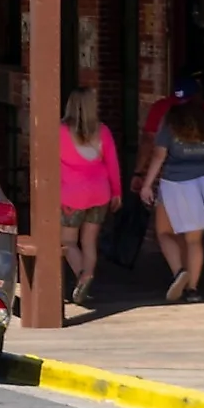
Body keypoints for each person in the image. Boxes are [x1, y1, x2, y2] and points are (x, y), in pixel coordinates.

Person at [137, 97, 204, 301]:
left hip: (175, 184)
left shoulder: (170, 123)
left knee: (163, 233)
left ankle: (179, 271)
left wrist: (146, 184)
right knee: (194, 240)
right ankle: (193, 290)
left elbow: (158, 156)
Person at [58, 87, 121, 307]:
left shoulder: (60, 131)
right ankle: (88, 278)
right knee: (89, 241)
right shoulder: (103, 131)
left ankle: (82, 276)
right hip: (100, 192)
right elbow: (112, 164)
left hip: (71, 194)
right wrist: (117, 192)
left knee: (67, 241)